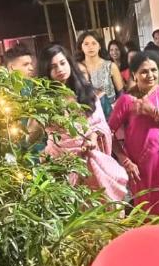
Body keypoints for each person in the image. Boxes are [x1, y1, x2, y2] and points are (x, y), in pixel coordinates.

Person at [39, 45, 128, 202]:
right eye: (53, 67)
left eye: (62, 63)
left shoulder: (88, 94)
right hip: (60, 163)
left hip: (89, 160)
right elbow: (36, 134)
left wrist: (92, 138)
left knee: (99, 210)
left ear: (69, 64)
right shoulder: (45, 102)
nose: (59, 69)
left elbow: (100, 125)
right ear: (46, 72)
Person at [108, 51, 159, 213]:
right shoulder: (127, 100)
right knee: (150, 212)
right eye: (144, 71)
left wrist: (155, 112)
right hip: (142, 167)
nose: (150, 75)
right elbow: (109, 133)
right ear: (134, 75)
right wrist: (125, 160)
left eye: (154, 70)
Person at [76, 30, 124, 116]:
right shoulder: (78, 68)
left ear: (99, 46)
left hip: (110, 113)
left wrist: (114, 107)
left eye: (94, 43)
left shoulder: (110, 66)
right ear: (81, 47)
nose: (90, 47)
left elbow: (121, 93)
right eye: (86, 44)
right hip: (88, 115)